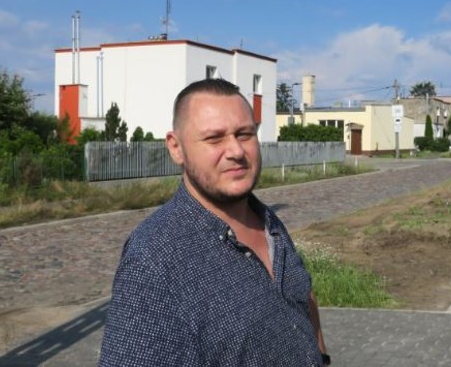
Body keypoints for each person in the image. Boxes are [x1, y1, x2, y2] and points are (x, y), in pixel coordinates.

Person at [98, 78, 329, 366]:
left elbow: (302, 296)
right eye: (214, 138)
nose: (236, 151)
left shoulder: (269, 222)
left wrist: (321, 355)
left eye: (244, 134)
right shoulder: (153, 260)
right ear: (176, 148)